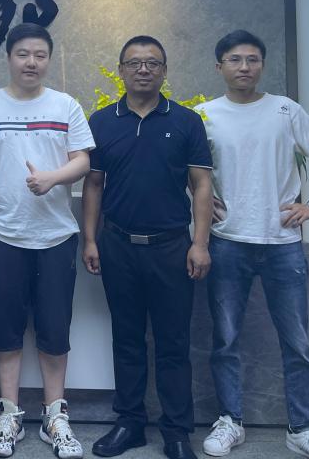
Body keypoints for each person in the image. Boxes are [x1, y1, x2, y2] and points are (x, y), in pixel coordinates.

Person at [196, 30, 309, 459]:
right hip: (227, 241)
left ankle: (301, 428)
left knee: (297, 342)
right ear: (219, 66)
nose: (245, 67)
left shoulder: (285, 110)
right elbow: (188, 170)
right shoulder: (204, 115)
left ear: (262, 64)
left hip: (282, 242)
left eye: (253, 59)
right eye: (235, 59)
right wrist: (198, 197)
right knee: (225, 339)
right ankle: (231, 421)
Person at [82, 35, 213, 459]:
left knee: (173, 342)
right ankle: (130, 423)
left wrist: (200, 243)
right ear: (121, 70)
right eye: (134, 63)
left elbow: (201, 185)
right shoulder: (102, 121)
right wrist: (90, 239)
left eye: (152, 63)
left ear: (164, 71)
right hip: (118, 245)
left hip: (172, 248)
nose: (143, 69)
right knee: (126, 339)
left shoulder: (187, 121)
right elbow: (94, 185)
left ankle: (176, 431)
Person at [0, 23, 94, 459]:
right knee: (4, 329)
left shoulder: (65, 105)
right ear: (8, 57)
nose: (31, 62)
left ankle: (55, 416)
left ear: (49, 59)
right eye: (23, 54)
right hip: (2, 233)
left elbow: (83, 160)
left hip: (55, 234)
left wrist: (52, 178)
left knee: (54, 330)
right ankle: (9, 414)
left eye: (40, 55)